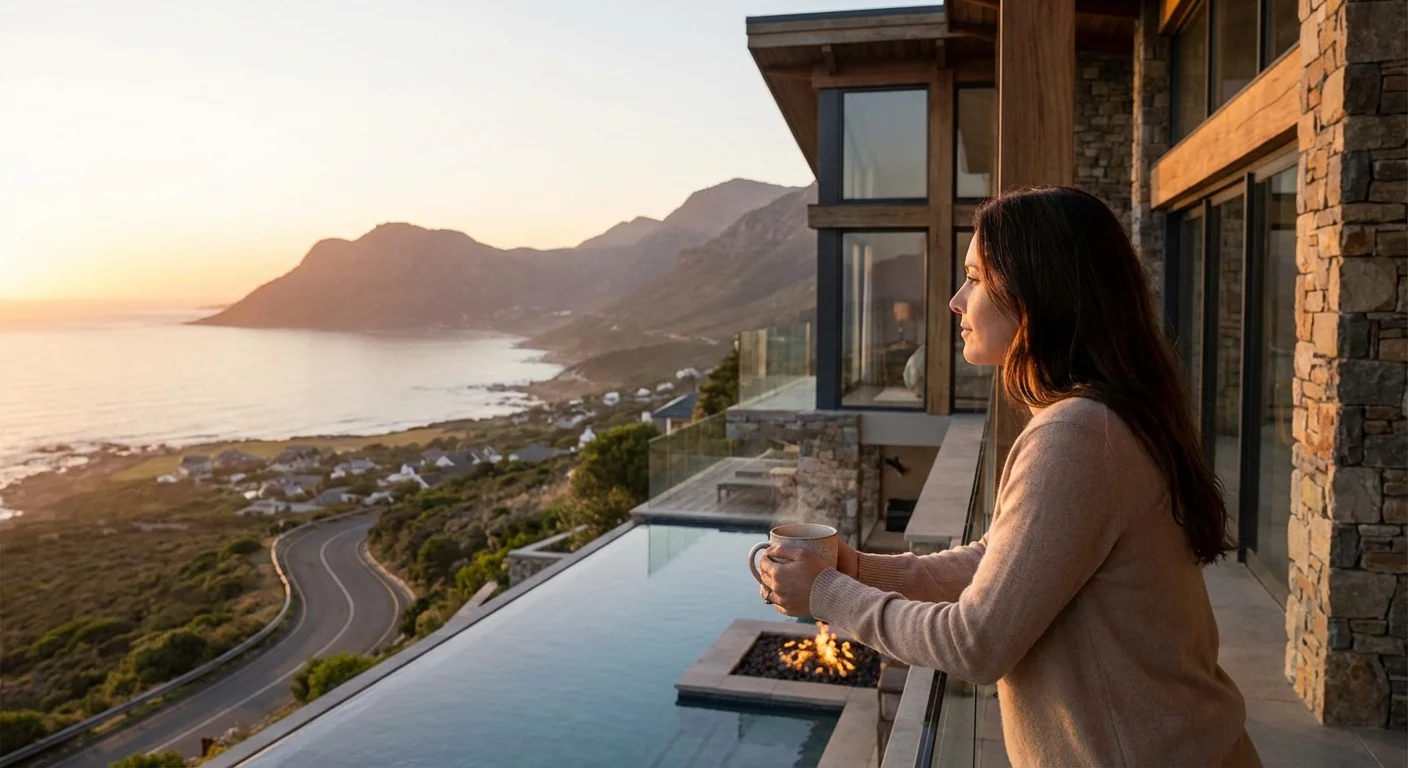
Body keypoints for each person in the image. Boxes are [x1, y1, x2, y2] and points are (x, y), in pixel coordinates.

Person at [757, 186, 1262, 767]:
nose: (955, 300)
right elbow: (1004, 559)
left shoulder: (1076, 436)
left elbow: (975, 644)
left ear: (1034, 293)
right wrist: (859, 568)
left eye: (974, 277)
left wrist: (826, 593)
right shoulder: (1103, 415)